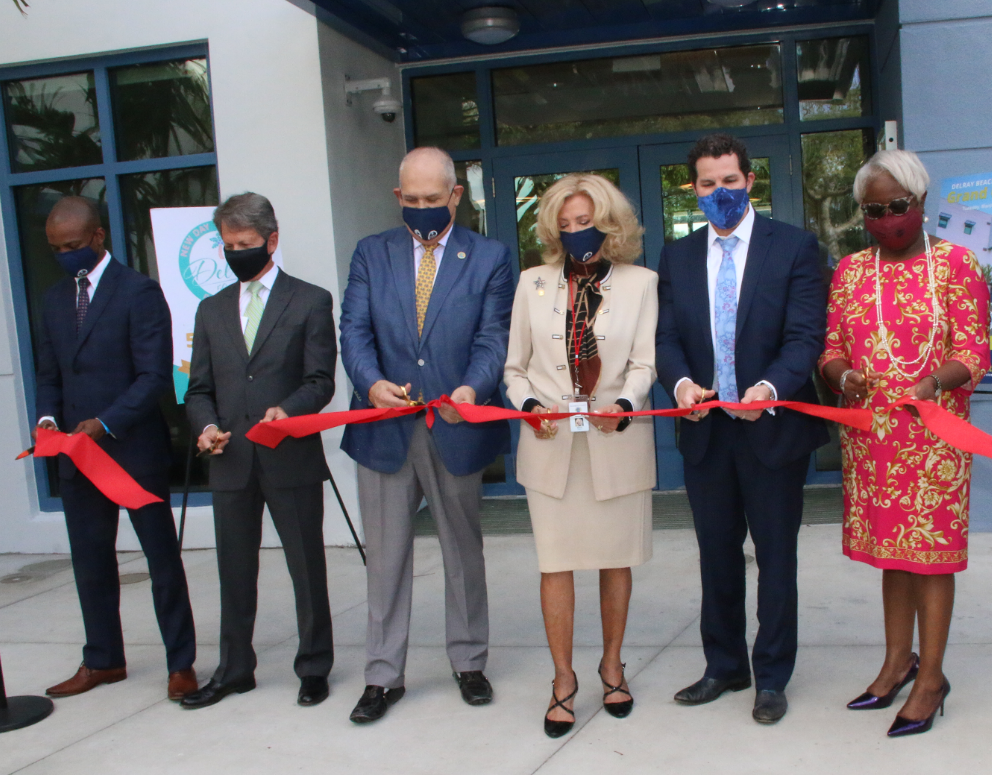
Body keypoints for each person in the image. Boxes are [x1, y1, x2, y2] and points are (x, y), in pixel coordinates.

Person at [657, 133, 828, 725]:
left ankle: (772, 676)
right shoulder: (677, 256)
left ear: (750, 181)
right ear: (694, 189)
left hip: (772, 427)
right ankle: (724, 665)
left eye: (729, 181)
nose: (719, 192)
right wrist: (680, 386)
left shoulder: (796, 248)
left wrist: (770, 388)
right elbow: (667, 339)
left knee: (776, 557)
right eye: (707, 183)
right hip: (707, 430)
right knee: (716, 556)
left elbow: (806, 336)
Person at [818, 150, 990, 737]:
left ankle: (932, 678)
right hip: (872, 440)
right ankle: (896, 662)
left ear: (919, 203)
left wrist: (929, 384)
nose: (886, 219)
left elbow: (973, 353)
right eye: (872, 210)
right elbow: (831, 346)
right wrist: (843, 376)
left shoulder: (957, 264)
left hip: (934, 439)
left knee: (931, 557)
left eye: (897, 206)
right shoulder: (850, 272)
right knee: (892, 554)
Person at [339, 146, 513, 724]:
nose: (421, 210)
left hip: (454, 424)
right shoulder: (372, 253)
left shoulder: (488, 257)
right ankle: (382, 676)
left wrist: (474, 388)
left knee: (463, 552)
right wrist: (371, 384)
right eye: (410, 201)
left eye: (432, 200)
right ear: (398, 199)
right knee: (384, 559)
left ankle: (468, 661)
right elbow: (355, 331)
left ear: (455, 197)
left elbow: (494, 335)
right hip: (383, 428)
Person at [503, 174, 657, 738]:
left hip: (616, 440)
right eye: (565, 225)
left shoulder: (642, 283)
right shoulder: (531, 283)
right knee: (556, 563)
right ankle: (562, 679)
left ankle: (612, 665)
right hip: (550, 447)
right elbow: (513, 367)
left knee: (615, 559)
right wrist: (526, 405)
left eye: (585, 222)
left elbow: (644, 363)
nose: (575, 233)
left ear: (609, 224)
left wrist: (624, 400)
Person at [33, 196, 197, 701]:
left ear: (98, 238)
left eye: (74, 246)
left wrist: (104, 424)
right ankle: (103, 659)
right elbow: (49, 374)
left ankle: (181, 663)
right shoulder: (53, 301)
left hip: (131, 449)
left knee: (160, 558)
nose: (65, 255)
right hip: (76, 458)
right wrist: (47, 423)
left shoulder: (139, 293)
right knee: (90, 560)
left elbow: (154, 378)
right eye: (56, 249)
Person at [181, 193, 337, 710]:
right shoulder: (210, 309)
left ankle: (314, 667)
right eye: (228, 246)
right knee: (234, 570)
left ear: (271, 240)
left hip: (288, 453)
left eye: (244, 244)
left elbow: (320, 382)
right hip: (230, 459)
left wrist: (287, 411)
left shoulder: (310, 301)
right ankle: (234, 670)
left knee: (305, 567)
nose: (235, 253)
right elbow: (198, 387)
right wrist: (204, 427)